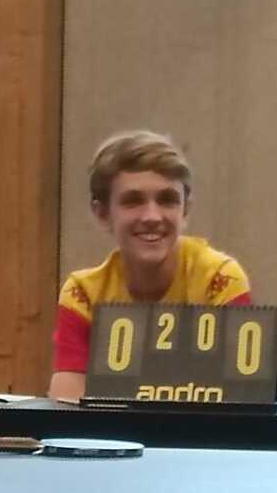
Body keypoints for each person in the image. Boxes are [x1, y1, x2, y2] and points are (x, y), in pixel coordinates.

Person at [48, 130, 252, 401]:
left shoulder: (220, 279)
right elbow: (67, 405)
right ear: (102, 214)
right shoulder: (82, 294)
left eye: (167, 200)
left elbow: (243, 402)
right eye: (133, 201)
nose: (152, 216)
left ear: (185, 210)